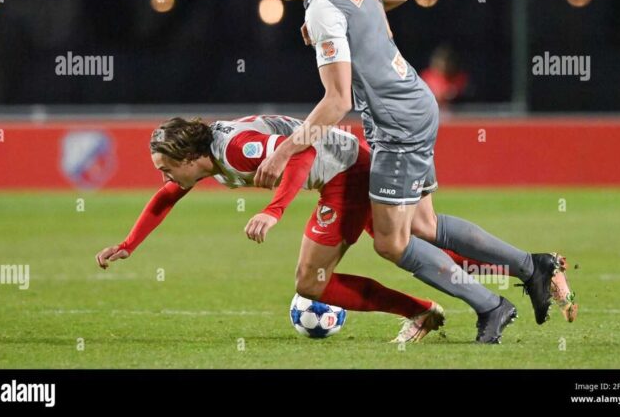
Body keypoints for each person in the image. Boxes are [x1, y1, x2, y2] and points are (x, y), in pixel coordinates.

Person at [249, 0, 573, 341]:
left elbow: (337, 101)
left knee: (391, 242)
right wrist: (361, 25)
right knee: (425, 224)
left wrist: (284, 152)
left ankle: (491, 304)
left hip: (396, 124)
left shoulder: (321, 11)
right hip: (414, 101)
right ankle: (533, 266)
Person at [95, 115, 577, 346]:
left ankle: (432, 311)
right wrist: (128, 244)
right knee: (423, 234)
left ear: (187, 157)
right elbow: (166, 197)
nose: (165, 177)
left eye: (165, 167)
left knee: (314, 281)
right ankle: (531, 268)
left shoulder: (237, 150)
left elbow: (300, 151)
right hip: (348, 166)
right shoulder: (205, 161)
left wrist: (274, 211)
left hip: (346, 174)